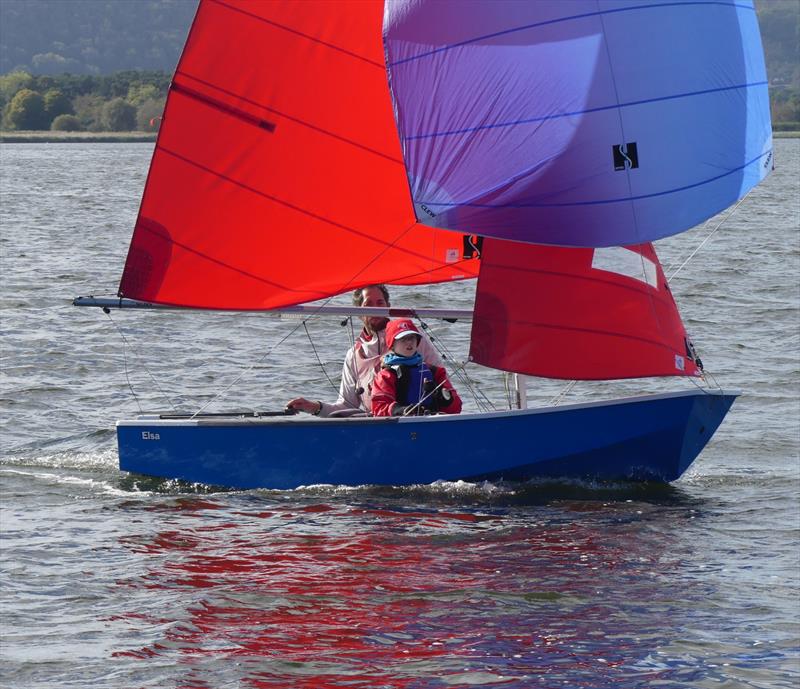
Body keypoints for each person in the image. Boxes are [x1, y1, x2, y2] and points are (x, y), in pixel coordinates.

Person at [286, 285, 443, 417]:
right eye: (368, 304)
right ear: (358, 312)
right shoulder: (354, 355)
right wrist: (313, 407)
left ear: (388, 305)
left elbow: (442, 381)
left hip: (417, 419)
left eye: (380, 303)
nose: (375, 308)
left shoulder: (412, 338)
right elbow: (345, 407)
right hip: (376, 425)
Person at [371, 318, 461, 417]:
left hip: (432, 424)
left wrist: (443, 397)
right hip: (401, 426)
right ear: (392, 345)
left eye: (412, 337)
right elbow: (378, 408)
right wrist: (401, 410)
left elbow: (456, 408)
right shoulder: (386, 375)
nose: (409, 342)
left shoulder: (435, 372)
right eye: (403, 339)